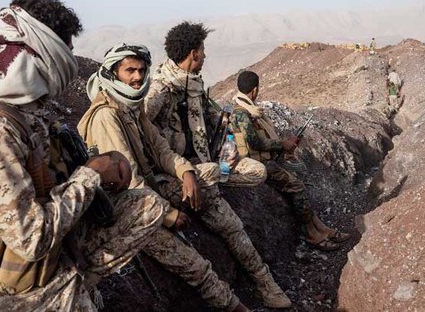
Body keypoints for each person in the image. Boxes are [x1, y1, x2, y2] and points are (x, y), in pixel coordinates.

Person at [0, 0, 171, 311]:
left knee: (146, 206)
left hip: (53, 250)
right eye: (64, 52)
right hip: (13, 289)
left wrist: (102, 165)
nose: (68, 64)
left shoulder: (29, 114)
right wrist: (92, 175)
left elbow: (53, 182)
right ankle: (66, 290)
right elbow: (31, 239)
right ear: (43, 54)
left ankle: (76, 280)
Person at [78, 44, 291, 309]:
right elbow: (131, 179)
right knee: (196, 266)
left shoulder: (131, 108)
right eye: (129, 70)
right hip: (132, 209)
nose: (137, 77)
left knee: (213, 181)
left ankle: (263, 281)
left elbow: (161, 149)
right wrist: (167, 215)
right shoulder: (107, 116)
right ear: (112, 73)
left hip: (155, 187)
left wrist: (186, 172)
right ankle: (235, 306)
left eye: (141, 70)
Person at [230, 70, 351, 251]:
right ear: (254, 90)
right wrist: (282, 144)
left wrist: (286, 144)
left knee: (298, 178)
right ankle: (312, 233)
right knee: (296, 186)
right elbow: (254, 141)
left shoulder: (249, 110)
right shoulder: (242, 113)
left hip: (267, 159)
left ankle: (321, 228)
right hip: (258, 164)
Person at [145, 21, 267, 187]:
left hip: (203, 159)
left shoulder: (195, 85)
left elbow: (213, 118)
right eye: (203, 51)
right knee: (212, 172)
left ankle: (208, 180)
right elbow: (140, 127)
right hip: (175, 167)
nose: (205, 56)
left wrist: (228, 147)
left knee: (257, 171)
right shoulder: (161, 89)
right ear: (194, 54)